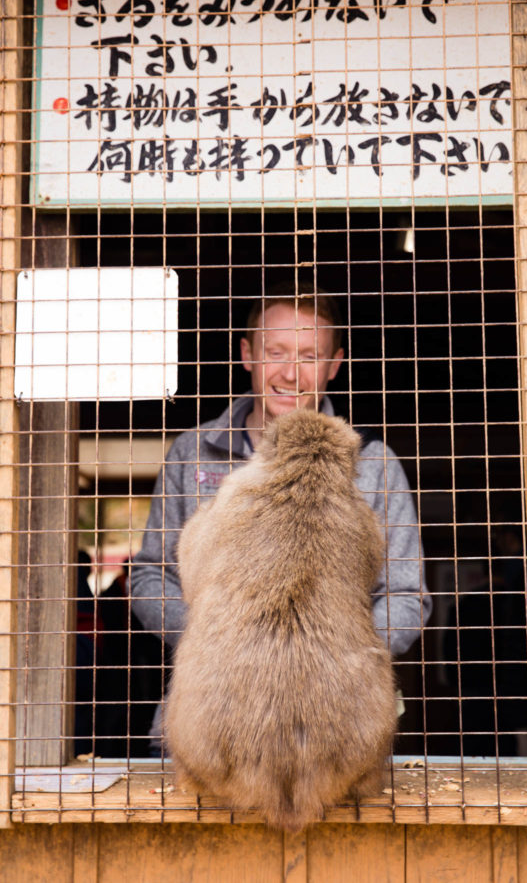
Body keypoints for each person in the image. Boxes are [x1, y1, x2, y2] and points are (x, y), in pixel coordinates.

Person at [131, 282, 431, 753]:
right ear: (248, 354)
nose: (291, 374)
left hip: (333, 720)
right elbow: (149, 574)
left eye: (310, 356)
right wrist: (226, 641)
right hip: (209, 716)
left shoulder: (373, 463)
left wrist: (330, 653)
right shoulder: (193, 452)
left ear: (334, 365)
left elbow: (407, 595)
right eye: (276, 352)